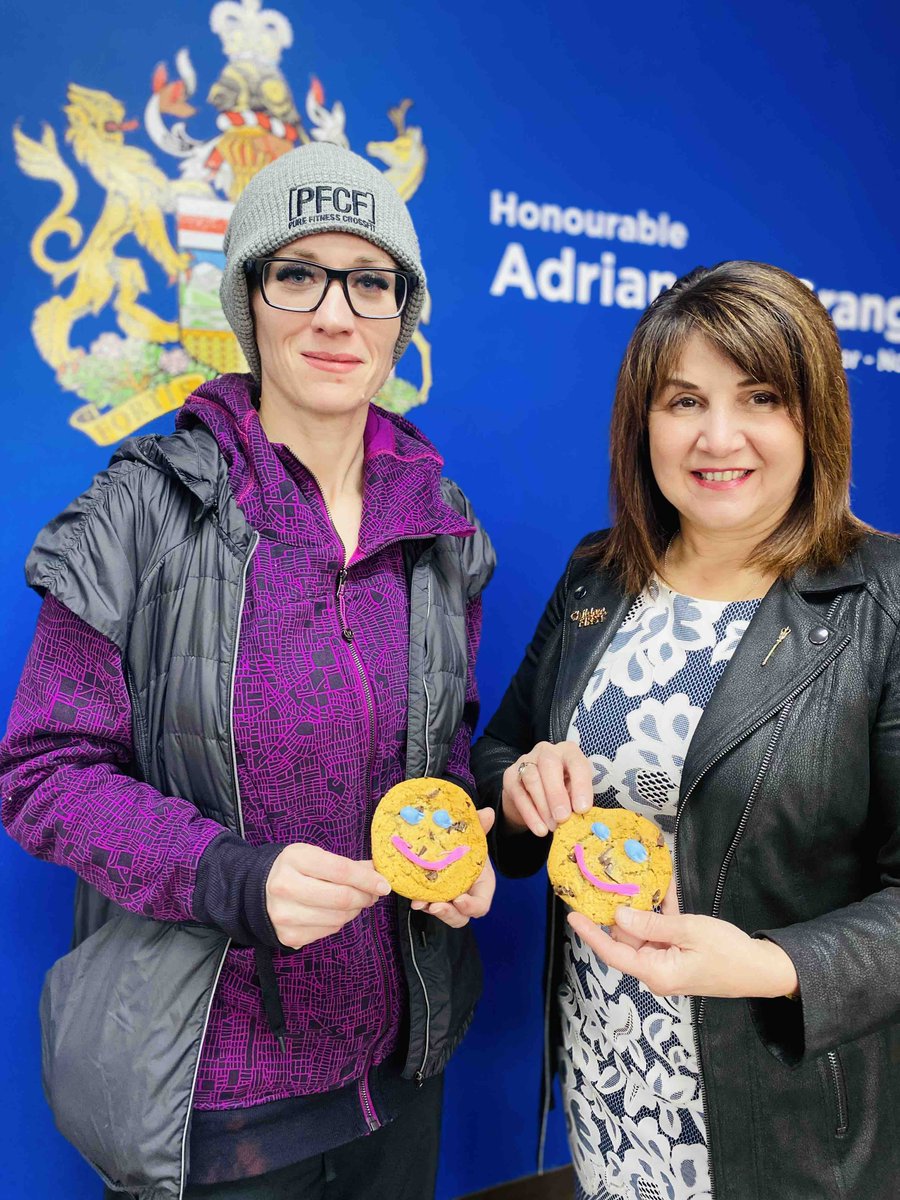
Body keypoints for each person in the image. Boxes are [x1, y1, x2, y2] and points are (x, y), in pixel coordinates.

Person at [0, 141, 495, 1200]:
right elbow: (43, 774)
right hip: (216, 1106)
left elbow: (442, 744)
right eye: (297, 273)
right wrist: (231, 875)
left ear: (403, 314)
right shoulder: (141, 509)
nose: (336, 313)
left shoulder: (443, 528)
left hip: (402, 1079)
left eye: (372, 281)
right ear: (250, 300)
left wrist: (458, 836)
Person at [472, 261, 900, 1200]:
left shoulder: (884, 603)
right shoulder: (600, 577)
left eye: (760, 397)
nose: (718, 436)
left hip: (790, 1125)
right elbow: (496, 759)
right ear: (643, 424)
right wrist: (516, 787)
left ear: (813, 420)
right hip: (610, 1086)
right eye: (684, 401)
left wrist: (770, 964)